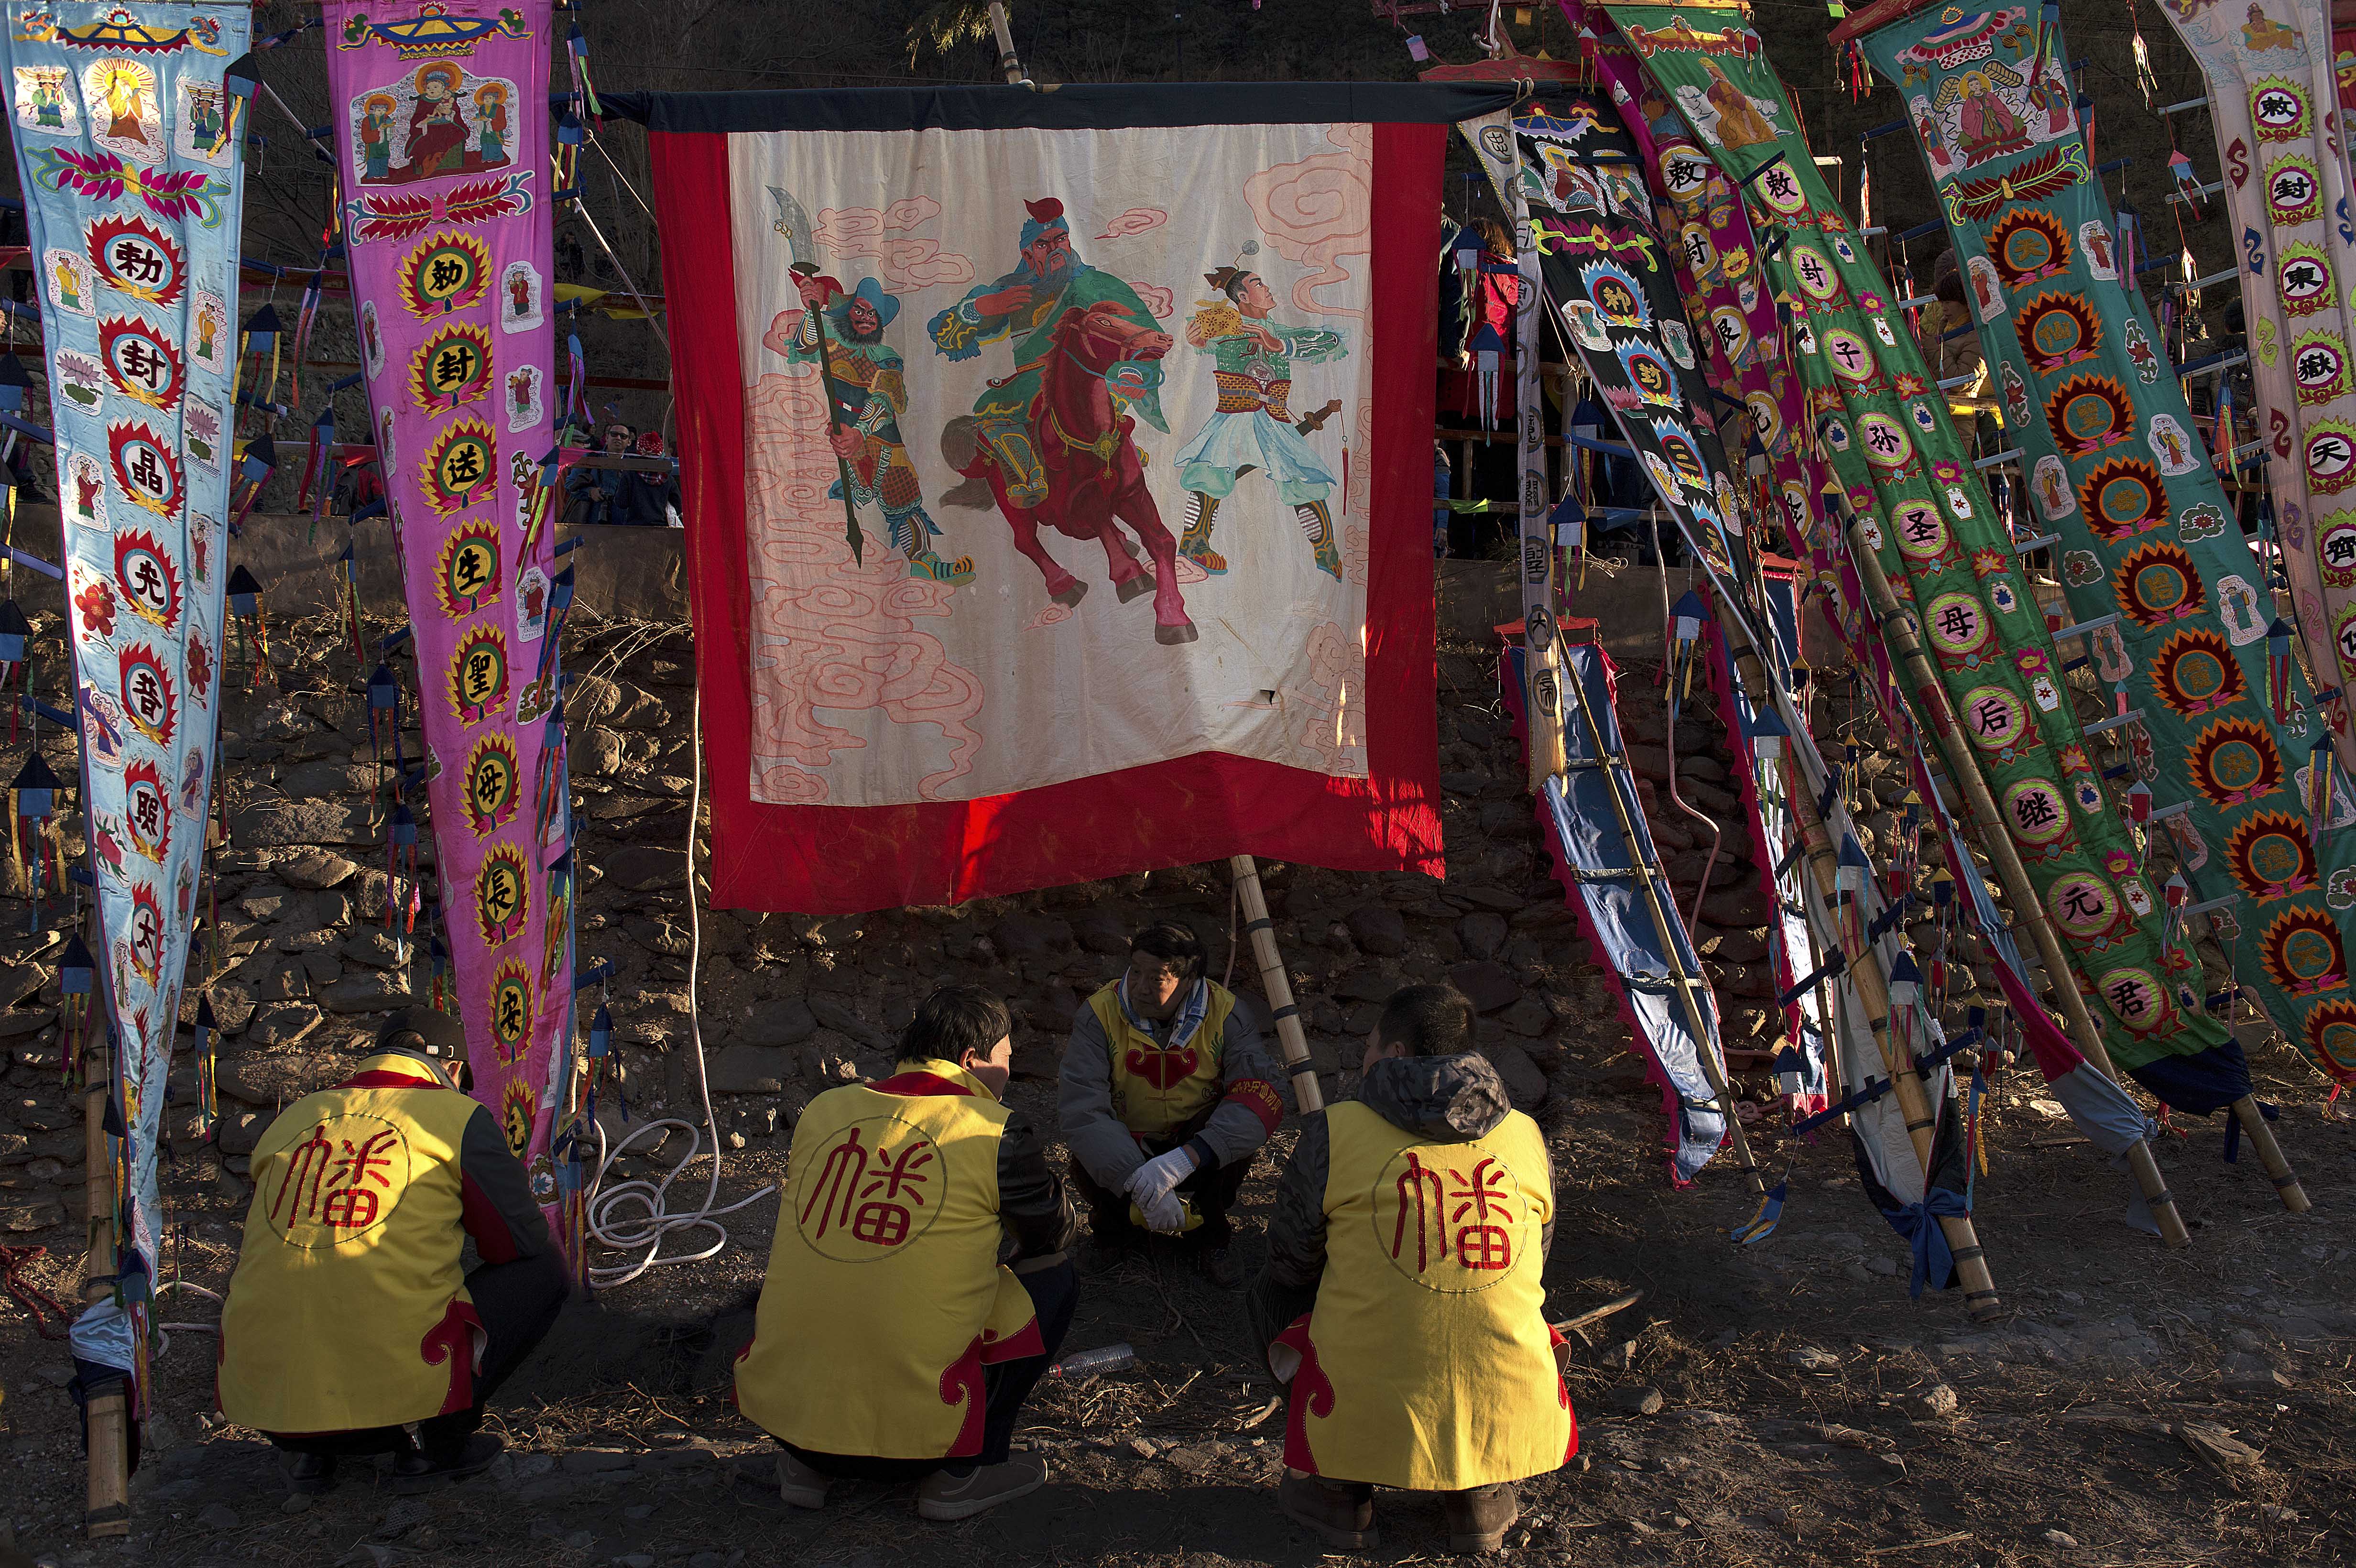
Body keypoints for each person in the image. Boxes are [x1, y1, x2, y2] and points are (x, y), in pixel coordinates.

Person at [1247, 984, 1575, 1552]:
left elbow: (1290, 1260)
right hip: (1506, 1375)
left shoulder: (1334, 1130)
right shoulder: (1526, 1134)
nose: (1364, 1058)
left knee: (1268, 1293)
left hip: (1364, 1368)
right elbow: (1536, 1258)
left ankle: (1337, 1488)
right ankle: (1478, 1489)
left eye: (1370, 1046)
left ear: (1395, 1055)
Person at [736, 986, 1077, 1521]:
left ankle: (808, 1465)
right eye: (1007, 1060)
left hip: (787, 1425)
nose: (1009, 1077)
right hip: (919, 1444)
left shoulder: (825, 1109)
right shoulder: (992, 1130)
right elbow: (1051, 1233)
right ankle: (964, 1473)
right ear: (971, 1060)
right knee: (1052, 1274)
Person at [215, 1012, 570, 1495]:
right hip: (392, 1413)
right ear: (453, 1069)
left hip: (268, 1410)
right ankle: (433, 1446)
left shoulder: (296, 1116)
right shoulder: (454, 1116)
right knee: (544, 1267)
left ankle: (309, 1453)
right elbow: (519, 1242)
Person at [1058, 921, 1285, 1288]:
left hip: (1193, 1142)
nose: (1140, 987)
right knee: (1089, 1155)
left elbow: (1258, 1093)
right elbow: (1081, 1105)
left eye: (1157, 978)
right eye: (1136, 972)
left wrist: (1186, 1159)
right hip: (1127, 1139)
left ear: (1189, 980)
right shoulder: (1099, 1013)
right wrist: (1137, 1178)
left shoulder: (1227, 1014)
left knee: (1232, 1147)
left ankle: (1210, 1238)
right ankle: (1112, 1233)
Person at [775, 272, 971, 580]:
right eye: (860, 310)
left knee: (903, 498)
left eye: (874, 314)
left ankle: (923, 560)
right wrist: (812, 307)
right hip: (840, 435)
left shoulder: (886, 357)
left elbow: (886, 397)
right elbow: (806, 343)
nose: (867, 319)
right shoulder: (832, 341)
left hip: (880, 433)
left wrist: (860, 432)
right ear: (848, 311)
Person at [1171, 264, 1349, 579]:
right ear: (1243, 295)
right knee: (1211, 470)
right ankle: (1194, 543)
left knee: (1303, 477)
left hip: (1275, 420)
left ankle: (1325, 551)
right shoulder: (1225, 328)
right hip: (1236, 415)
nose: (1267, 289)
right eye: (1259, 284)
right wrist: (1197, 339)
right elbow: (1200, 339)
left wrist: (1280, 345)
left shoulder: (1278, 334)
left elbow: (1332, 341)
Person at [561, 420, 635, 527]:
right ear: (607, 438)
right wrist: (590, 492)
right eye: (614, 434)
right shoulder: (591, 459)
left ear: (629, 442)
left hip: (623, 524)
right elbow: (570, 484)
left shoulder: (634, 465)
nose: (618, 438)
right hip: (591, 520)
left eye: (623, 436)